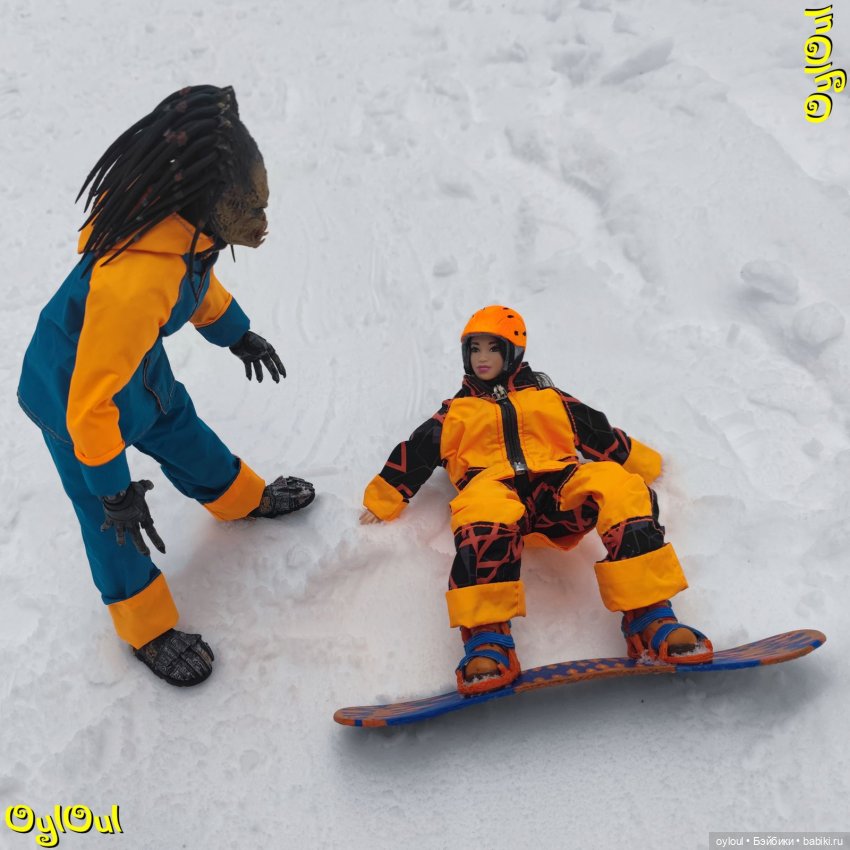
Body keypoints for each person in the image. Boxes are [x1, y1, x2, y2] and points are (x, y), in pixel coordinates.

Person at [17, 85, 315, 687]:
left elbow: (193, 285)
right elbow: (90, 404)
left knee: (181, 430)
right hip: (72, 395)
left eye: (262, 203)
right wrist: (112, 491)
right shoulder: (136, 282)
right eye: (251, 208)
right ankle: (145, 625)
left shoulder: (183, 233)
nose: (263, 222)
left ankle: (239, 499)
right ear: (208, 201)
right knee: (109, 521)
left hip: (137, 371)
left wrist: (236, 334)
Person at [361, 305, 712, 695]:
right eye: (474, 349)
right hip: (495, 489)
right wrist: (383, 498)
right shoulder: (456, 414)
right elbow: (416, 452)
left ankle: (650, 615)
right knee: (481, 510)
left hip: (558, 489)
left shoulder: (550, 398)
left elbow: (599, 431)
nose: (482, 358)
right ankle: (487, 639)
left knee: (618, 484)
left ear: (513, 353)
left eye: (493, 349)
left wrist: (643, 463)